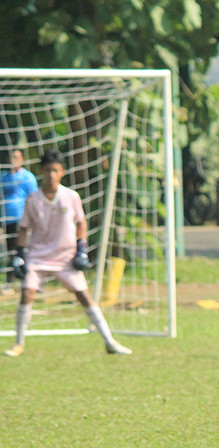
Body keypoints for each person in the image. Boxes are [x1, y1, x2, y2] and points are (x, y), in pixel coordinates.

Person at [4, 149, 132, 357]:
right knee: (26, 294)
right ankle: (18, 343)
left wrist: (81, 250)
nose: (51, 175)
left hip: (65, 257)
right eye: (47, 171)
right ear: (41, 172)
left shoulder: (71, 196)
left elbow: (81, 222)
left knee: (84, 296)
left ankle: (110, 342)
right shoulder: (33, 199)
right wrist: (19, 254)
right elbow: (24, 229)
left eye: (55, 170)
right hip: (38, 256)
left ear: (62, 172)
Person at [2, 148, 38, 293]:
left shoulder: (28, 177)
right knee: (11, 251)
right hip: (6, 219)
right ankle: (9, 283)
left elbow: (34, 198)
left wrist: (33, 221)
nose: (13, 160)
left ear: (22, 159)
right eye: (11, 157)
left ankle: (27, 280)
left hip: (22, 219)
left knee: (21, 249)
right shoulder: (3, 177)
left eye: (16, 157)